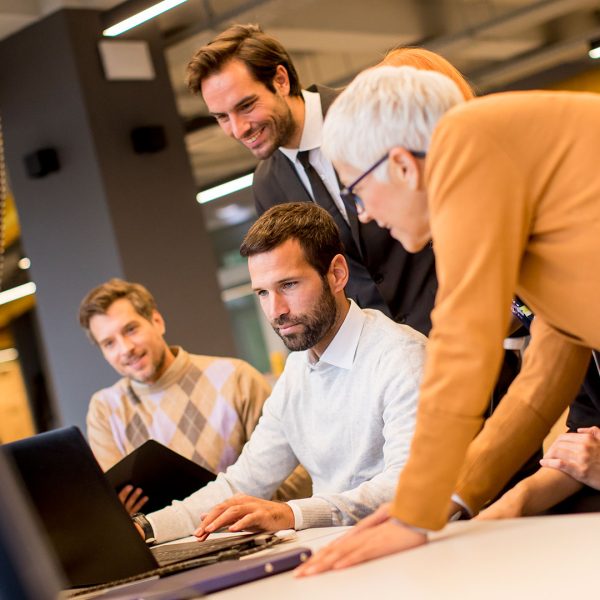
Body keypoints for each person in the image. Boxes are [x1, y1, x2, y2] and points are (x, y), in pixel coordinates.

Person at [294, 65, 599, 575]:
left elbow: (463, 342)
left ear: (402, 165)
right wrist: (448, 497)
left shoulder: (464, 145)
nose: (363, 215)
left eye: (356, 191)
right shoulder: (533, 190)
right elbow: (546, 374)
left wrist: (416, 512)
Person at [135, 203, 427, 545]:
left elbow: (409, 482)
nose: (276, 311)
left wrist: (291, 514)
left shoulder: (401, 356)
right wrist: (146, 528)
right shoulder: (297, 370)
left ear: (336, 274)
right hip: (334, 549)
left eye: (288, 285)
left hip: (410, 546)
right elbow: (242, 482)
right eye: (262, 292)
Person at [186, 25, 438, 335]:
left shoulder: (369, 112)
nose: (238, 129)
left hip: (462, 317)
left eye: (246, 106)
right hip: (382, 351)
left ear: (280, 80)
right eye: (222, 117)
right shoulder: (267, 186)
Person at [79, 278, 309, 513]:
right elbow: (113, 503)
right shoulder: (104, 409)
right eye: (109, 343)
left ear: (157, 322)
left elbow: (298, 468)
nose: (125, 348)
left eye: (131, 329)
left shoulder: (236, 378)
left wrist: (246, 508)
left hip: (247, 530)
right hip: (159, 535)